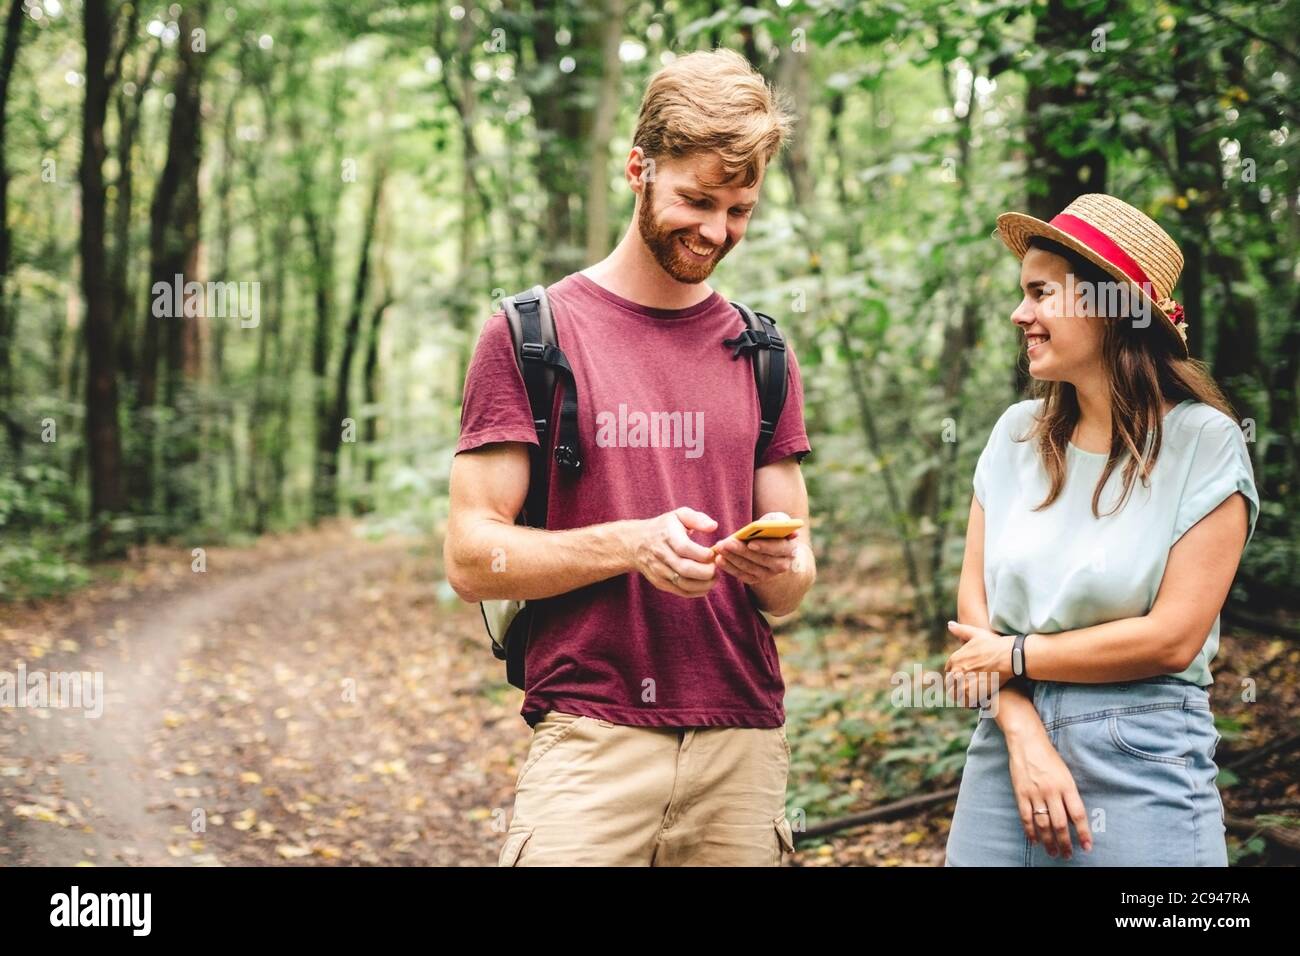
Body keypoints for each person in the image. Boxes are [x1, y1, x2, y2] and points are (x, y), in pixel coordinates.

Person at [444, 49, 815, 866]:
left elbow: (794, 585)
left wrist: (775, 569)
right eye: (697, 200)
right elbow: (472, 557)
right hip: (590, 739)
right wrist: (629, 544)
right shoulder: (529, 335)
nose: (717, 232)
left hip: (743, 741)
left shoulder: (764, 353)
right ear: (637, 168)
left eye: (740, 210)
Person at [943, 193, 1259, 866]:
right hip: (1004, 746)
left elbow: (1172, 638)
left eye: (1039, 294)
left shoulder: (1204, 443)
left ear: (1109, 306)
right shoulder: (1014, 436)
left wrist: (1013, 656)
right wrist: (1022, 726)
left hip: (1139, 748)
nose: (1018, 314)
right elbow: (976, 612)